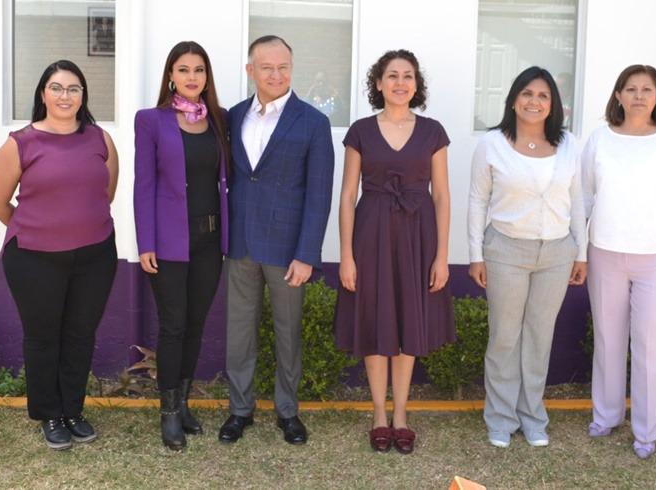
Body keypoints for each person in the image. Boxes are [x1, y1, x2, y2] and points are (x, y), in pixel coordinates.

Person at [0, 60, 119, 451]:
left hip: (95, 256)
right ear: (43, 93)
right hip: (34, 259)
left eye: (74, 88)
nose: (66, 96)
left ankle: (73, 410)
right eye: (57, 88)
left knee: (80, 335)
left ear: (84, 95)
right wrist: (37, 228)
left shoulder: (100, 139)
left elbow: (105, 195)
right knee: (44, 338)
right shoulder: (20, 143)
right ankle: (49, 415)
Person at [335, 50, 454, 455]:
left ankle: (401, 415)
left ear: (416, 85)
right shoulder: (361, 131)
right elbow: (349, 193)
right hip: (371, 234)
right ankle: (378, 416)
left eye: (407, 76)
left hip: (419, 237)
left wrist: (441, 255)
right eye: (392, 75)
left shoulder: (434, 131)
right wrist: (346, 254)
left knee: (407, 323)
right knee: (374, 321)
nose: (400, 82)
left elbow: (442, 196)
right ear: (379, 83)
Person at [581, 64, 656, 460]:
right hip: (605, 252)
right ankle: (606, 414)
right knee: (608, 338)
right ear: (618, 96)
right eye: (630, 88)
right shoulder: (599, 140)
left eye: (646, 89)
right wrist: (577, 251)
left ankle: (647, 431)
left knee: (651, 344)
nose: (637, 95)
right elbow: (583, 197)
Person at [219, 35, 334, 446]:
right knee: (239, 333)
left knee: (288, 334)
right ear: (250, 70)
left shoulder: (313, 123)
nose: (276, 74)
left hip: (288, 252)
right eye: (267, 67)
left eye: (283, 66)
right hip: (241, 245)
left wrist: (307, 255)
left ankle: (288, 411)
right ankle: (240, 410)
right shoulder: (231, 117)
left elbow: (319, 195)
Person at [467, 66, 587, 449]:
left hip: (556, 251)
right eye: (527, 94)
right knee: (504, 337)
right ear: (514, 99)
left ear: (554, 105)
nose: (534, 102)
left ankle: (533, 416)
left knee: (539, 337)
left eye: (543, 96)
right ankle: (500, 419)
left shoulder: (569, 144)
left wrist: (580, 253)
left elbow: (578, 200)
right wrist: (475, 255)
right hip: (505, 249)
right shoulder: (492, 144)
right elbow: (477, 200)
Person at [134, 41, 230, 451]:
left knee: (195, 324)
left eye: (200, 70)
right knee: (173, 326)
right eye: (184, 69)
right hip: (170, 242)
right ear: (171, 75)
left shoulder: (219, 121)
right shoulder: (151, 120)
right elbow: (144, 184)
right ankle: (168, 413)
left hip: (210, 242)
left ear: (207, 77)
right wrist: (145, 242)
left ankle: (184, 404)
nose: (192, 77)